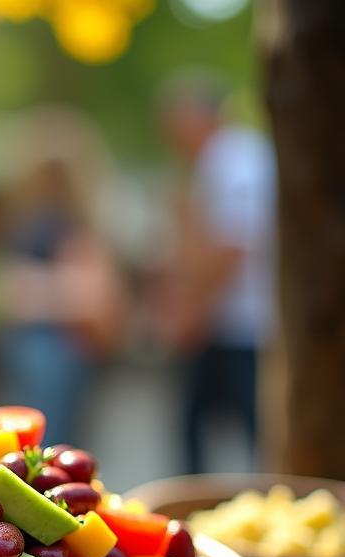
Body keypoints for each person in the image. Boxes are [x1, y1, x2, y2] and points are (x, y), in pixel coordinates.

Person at [157, 76, 277, 473]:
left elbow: (232, 246)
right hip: (229, 322)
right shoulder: (226, 158)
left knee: (245, 429)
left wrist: (192, 312)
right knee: (202, 427)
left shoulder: (231, 159)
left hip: (239, 325)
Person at [0, 108, 126, 446]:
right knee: (54, 445)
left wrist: (32, 289)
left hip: (49, 348)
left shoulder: (47, 225)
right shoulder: (64, 223)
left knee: (41, 445)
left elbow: (89, 294)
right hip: (56, 350)